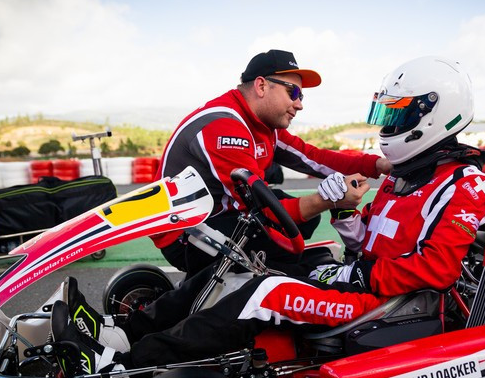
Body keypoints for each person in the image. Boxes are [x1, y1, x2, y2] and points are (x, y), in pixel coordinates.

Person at [53, 56, 485, 378]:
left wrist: (359, 266)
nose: (390, 127)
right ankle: (123, 337)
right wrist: (345, 216)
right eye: (390, 115)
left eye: (399, 117)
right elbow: (362, 238)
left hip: (389, 300)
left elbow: (438, 269)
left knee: (260, 289)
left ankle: (119, 371)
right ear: (262, 85)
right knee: (250, 268)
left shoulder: (464, 183)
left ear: (434, 116)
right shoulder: (406, 177)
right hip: (332, 272)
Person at [153, 49, 391, 276]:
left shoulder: (266, 125)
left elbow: (313, 157)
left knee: (303, 221)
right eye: (293, 93)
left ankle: (255, 276)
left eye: (302, 96)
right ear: (261, 86)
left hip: (216, 215)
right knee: (288, 249)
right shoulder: (223, 126)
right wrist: (329, 199)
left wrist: (377, 165)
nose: (299, 104)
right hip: (184, 235)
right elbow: (264, 211)